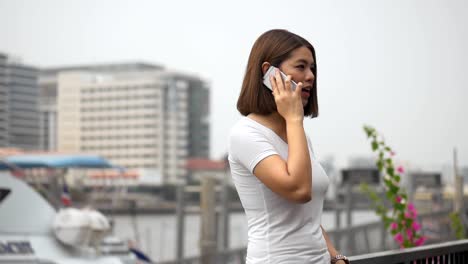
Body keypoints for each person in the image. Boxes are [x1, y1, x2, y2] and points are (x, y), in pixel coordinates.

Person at [228, 29, 349, 264]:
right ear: (268, 72)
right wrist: (294, 119)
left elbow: (307, 217)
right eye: (301, 66)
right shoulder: (245, 134)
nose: (311, 76)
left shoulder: (297, 135)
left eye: (312, 68)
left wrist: (336, 257)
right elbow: (299, 191)